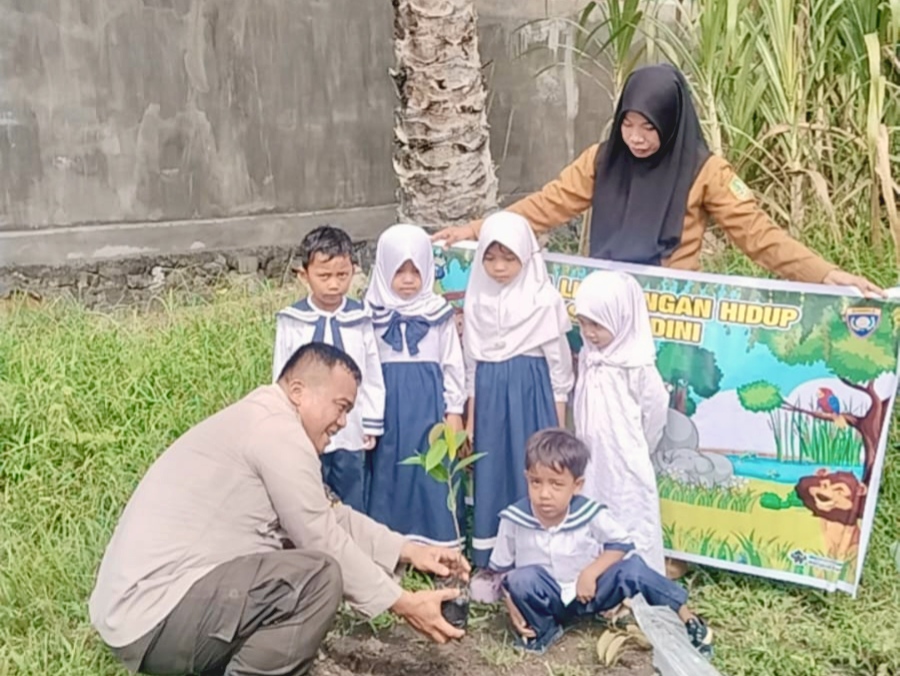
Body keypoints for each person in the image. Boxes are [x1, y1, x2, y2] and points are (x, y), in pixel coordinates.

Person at [89, 343, 469, 676]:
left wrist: (409, 550)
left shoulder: (265, 421)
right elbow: (320, 535)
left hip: (145, 616)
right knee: (319, 574)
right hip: (154, 618)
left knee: (305, 562)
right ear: (299, 391)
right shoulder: (276, 431)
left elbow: (328, 514)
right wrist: (402, 603)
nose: (342, 422)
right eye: (340, 407)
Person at [432, 63, 882, 297]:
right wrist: (477, 229)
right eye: (628, 124)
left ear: (672, 122)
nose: (637, 139)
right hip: (605, 308)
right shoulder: (602, 159)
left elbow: (760, 237)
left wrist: (826, 275)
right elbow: (546, 206)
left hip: (673, 312)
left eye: (650, 127)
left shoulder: (707, 172)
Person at [489, 429, 712, 657]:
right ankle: (544, 631)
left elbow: (621, 543)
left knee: (633, 569)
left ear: (577, 485)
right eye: (536, 482)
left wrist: (591, 573)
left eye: (556, 484)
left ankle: (689, 619)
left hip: (588, 594)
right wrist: (512, 606)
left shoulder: (588, 513)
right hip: (545, 601)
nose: (544, 493)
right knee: (521, 578)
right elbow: (503, 570)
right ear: (527, 477)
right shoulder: (514, 519)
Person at [463, 211, 575, 596]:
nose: (498, 267)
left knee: (533, 467)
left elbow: (559, 368)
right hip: (491, 393)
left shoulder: (543, 301)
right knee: (494, 469)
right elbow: (471, 362)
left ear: (526, 256)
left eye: (508, 258)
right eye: (490, 258)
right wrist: (471, 419)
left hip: (531, 393)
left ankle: (538, 560)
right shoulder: (476, 298)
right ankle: (492, 565)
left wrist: (557, 426)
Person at [365, 224, 467, 546]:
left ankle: (438, 538)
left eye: (416, 270)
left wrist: (454, 410)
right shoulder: (369, 313)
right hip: (386, 405)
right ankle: (390, 541)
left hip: (429, 406)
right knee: (388, 466)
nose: (408, 280)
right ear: (383, 270)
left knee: (431, 465)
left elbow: (453, 364)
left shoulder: (438, 313)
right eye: (399, 271)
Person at [271, 225, 385, 512]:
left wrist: (371, 419)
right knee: (308, 493)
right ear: (304, 275)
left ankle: (353, 551)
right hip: (305, 428)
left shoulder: (361, 318)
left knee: (352, 496)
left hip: (351, 427)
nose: (334, 285)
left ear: (354, 271)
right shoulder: (292, 320)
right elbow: (281, 374)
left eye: (342, 275)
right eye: (324, 276)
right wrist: (284, 421)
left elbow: (372, 373)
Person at [573, 270, 668, 576]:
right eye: (583, 323)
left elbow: (654, 412)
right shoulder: (590, 358)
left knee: (629, 514)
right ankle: (596, 578)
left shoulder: (637, 365)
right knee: (593, 511)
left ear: (622, 318)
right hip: (591, 457)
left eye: (597, 325)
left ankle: (634, 581)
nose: (589, 332)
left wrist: (639, 447)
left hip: (625, 458)